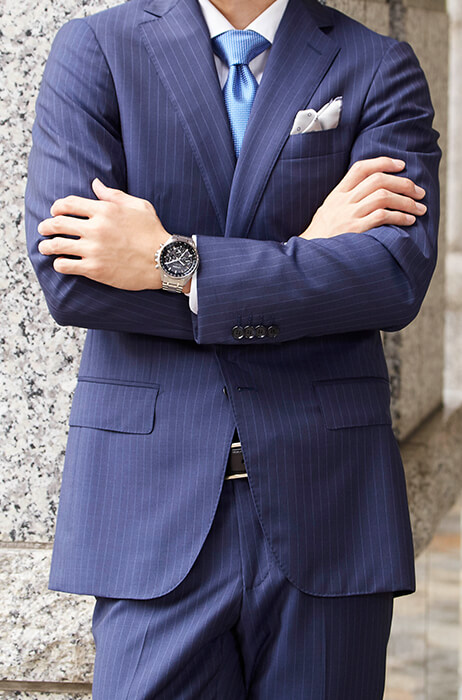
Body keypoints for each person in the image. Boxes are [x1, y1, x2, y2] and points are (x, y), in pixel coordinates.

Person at [25, 0, 441, 697]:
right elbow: (73, 281)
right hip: (150, 509)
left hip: (328, 503)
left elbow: (391, 278)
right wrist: (308, 252)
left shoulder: (377, 64)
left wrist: (171, 263)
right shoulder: (96, 50)